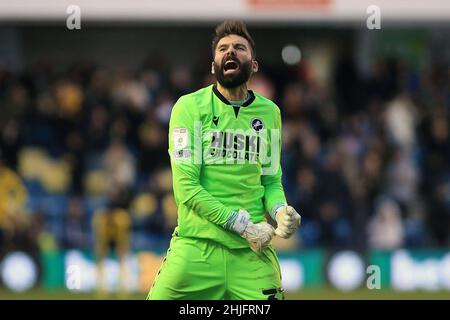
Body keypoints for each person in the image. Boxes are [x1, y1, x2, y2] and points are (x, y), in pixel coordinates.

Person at [147, 20, 301, 300]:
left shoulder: (270, 113)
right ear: (213, 65)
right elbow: (187, 189)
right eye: (223, 48)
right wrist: (240, 224)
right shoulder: (189, 107)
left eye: (239, 48)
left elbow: (270, 180)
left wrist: (280, 211)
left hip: (252, 255)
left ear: (253, 64)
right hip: (196, 250)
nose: (230, 52)